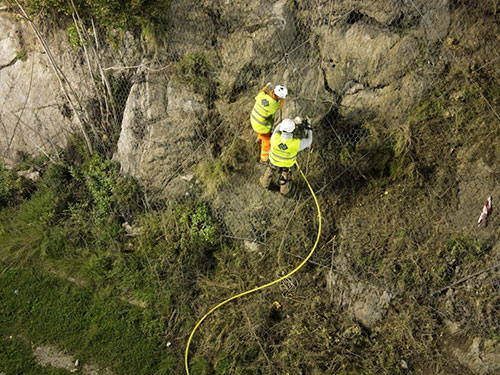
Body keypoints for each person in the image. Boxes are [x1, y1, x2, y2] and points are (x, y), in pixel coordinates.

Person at [260, 117, 313, 195]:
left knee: (270, 171)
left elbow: (277, 128)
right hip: (286, 164)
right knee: (285, 176)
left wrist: (292, 122)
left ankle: (265, 184)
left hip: (273, 161)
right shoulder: (296, 144)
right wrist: (308, 127)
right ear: (293, 129)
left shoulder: (275, 137)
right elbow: (309, 140)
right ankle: (284, 191)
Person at [250, 83, 287, 163]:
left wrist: (267, 86)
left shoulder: (262, 96)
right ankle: (264, 159)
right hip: (261, 127)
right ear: (279, 97)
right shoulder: (274, 105)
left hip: (253, 120)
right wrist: (283, 98)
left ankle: (260, 137)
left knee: (262, 133)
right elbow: (280, 106)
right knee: (267, 141)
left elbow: (262, 91)